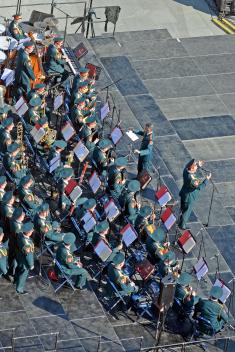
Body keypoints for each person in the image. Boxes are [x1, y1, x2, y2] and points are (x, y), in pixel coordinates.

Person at [178, 159, 211, 230]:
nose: (197, 167)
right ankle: (182, 225)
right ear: (192, 168)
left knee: (183, 208)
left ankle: (181, 219)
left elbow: (190, 166)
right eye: (195, 166)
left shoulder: (186, 170)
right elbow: (199, 187)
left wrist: (197, 164)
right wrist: (206, 180)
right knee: (187, 212)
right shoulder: (192, 179)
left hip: (184, 193)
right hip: (189, 197)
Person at [14, 221, 34, 294]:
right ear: (28, 232)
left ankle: (15, 280)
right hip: (25, 262)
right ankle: (19, 289)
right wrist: (31, 265)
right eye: (31, 230)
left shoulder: (20, 235)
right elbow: (29, 256)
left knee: (18, 269)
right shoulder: (28, 244)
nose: (33, 231)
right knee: (23, 274)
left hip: (19, 257)